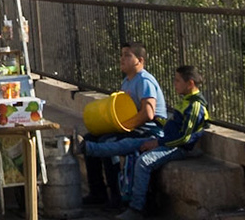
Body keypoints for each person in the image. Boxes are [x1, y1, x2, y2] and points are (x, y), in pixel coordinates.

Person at [82, 42, 165, 207]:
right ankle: (97, 192)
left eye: (127, 55)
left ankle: (116, 195)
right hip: (133, 128)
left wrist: (123, 126)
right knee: (89, 139)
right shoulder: (127, 81)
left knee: (108, 143)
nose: (122, 59)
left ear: (139, 60)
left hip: (149, 130)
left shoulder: (144, 80)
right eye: (122, 55)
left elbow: (148, 113)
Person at [120, 65, 209, 213]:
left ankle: (136, 209)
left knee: (144, 161)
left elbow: (185, 138)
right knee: (128, 145)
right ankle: (89, 148)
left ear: (190, 83)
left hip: (179, 148)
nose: (174, 83)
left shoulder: (195, 105)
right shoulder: (185, 100)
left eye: (178, 80)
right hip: (167, 141)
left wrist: (158, 142)